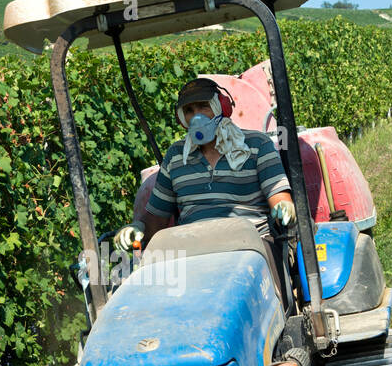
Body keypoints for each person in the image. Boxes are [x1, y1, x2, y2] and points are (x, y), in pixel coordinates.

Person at [114, 77, 296, 254]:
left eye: (203, 106)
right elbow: (157, 219)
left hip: (251, 247)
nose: (196, 116)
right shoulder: (175, 156)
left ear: (221, 107)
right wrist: (138, 228)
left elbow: (279, 200)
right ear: (182, 118)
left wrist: (285, 208)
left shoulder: (257, 144)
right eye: (189, 110)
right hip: (194, 252)